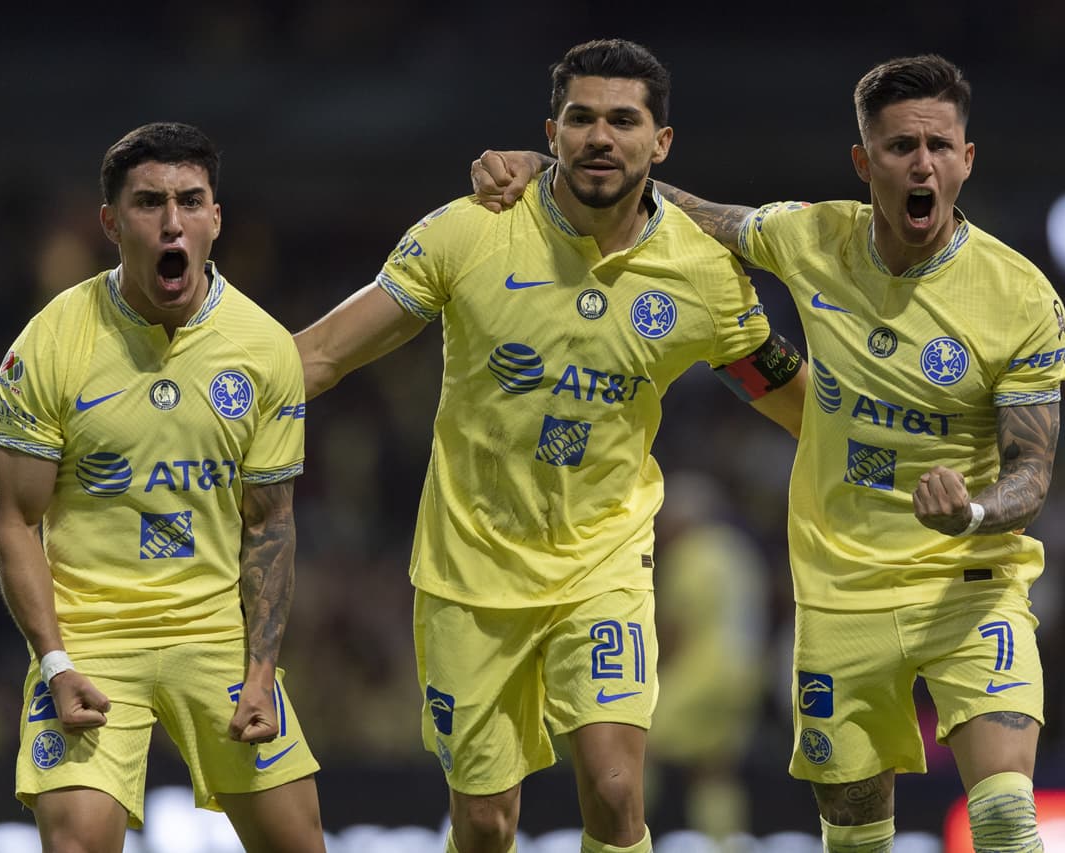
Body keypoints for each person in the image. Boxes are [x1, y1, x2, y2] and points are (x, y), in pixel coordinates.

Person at [473, 53, 1065, 852]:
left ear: (966, 158)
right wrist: (549, 165)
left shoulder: (1020, 296)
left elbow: (1032, 472)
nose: (920, 164)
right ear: (865, 162)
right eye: (898, 148)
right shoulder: (812, 235)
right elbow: (690, 210)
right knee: (856, 836)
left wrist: (972, 510)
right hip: (839, 595)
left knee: (1003, 818)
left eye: (938, 146)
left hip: (969, 587)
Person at [294, 38, 806, 853]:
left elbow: (794, 402)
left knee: (614, 789)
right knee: (488, 822)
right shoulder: (467, 233)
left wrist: (909, 460)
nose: (601, 136)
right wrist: (208, 407)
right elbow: (320, 355)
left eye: (624, 120)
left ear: (660, 143)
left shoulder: (703, 275)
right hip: (469, 569)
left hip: (602, 563)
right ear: (552, 132)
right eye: (582, 118)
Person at [0, 122, 325, 853]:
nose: (172, 221)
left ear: (215, 217)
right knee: (75, 842)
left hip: (214, 634)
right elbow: (14, 519)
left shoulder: (263, 347)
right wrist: (54, 660)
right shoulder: (46, 345)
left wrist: (262, 671)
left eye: (189, 200)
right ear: (112, 222)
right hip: (92, 633)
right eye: (148, 203)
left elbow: (270, 522)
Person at [645, 470, 770, 848]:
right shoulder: (741, 550)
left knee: (635, 746)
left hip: (701, 672)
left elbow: (676, 625)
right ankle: (725, 843)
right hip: (747, 674)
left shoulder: (691, 551)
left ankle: (624, 836)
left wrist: (656, 671)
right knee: (715, 769)